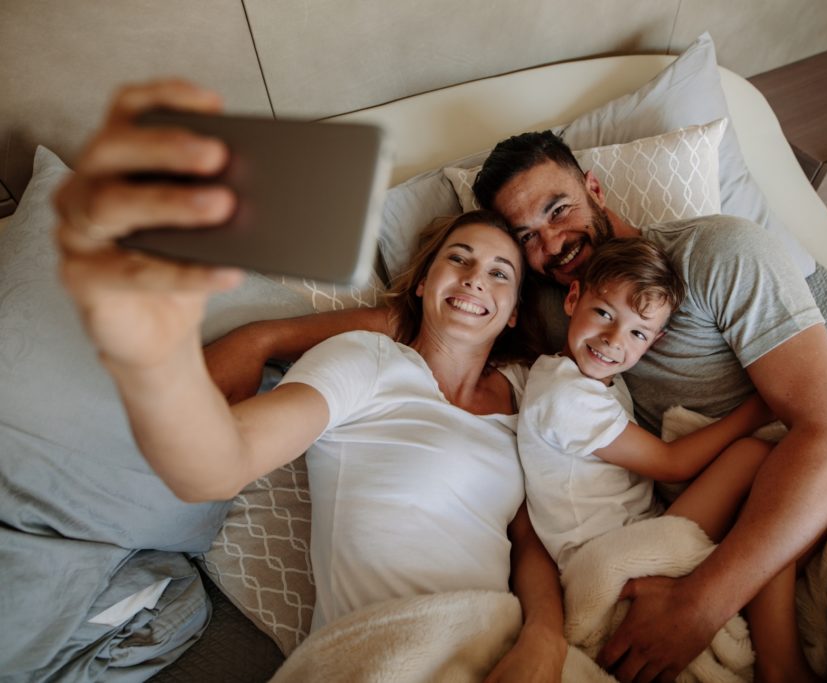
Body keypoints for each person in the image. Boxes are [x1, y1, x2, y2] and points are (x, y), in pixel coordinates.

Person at [209, 126, 827, 682]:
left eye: (558, 208)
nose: (551, 241)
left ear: (594, 187)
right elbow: (439, 317)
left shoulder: (717, 253)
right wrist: (264, 335)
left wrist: (703, 602)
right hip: (782, 549)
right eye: (525, 237)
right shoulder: (564, 311)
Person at [54, 80, 570, 682]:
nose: (476, 277)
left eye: (500, 272)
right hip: (387, 655)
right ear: (425, 283)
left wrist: (545, 639)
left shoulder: (525, 394)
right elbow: (224, 458)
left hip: (506, 644)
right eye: (458, 258)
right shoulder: (367, 361)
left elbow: (529, 539)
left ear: (512, 312)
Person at [518, 236, 823, 683]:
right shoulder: (564, 397)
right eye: (603, 313)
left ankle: (770, 636)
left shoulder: (587, 378)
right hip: (610, 558)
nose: (612, 340)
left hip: (638, 535)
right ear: (572, 298)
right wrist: (758, 407)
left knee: (791, 505)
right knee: (759, 462)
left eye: (637, 333)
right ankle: (782, 663)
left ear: (654, 342)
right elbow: (671, 464)